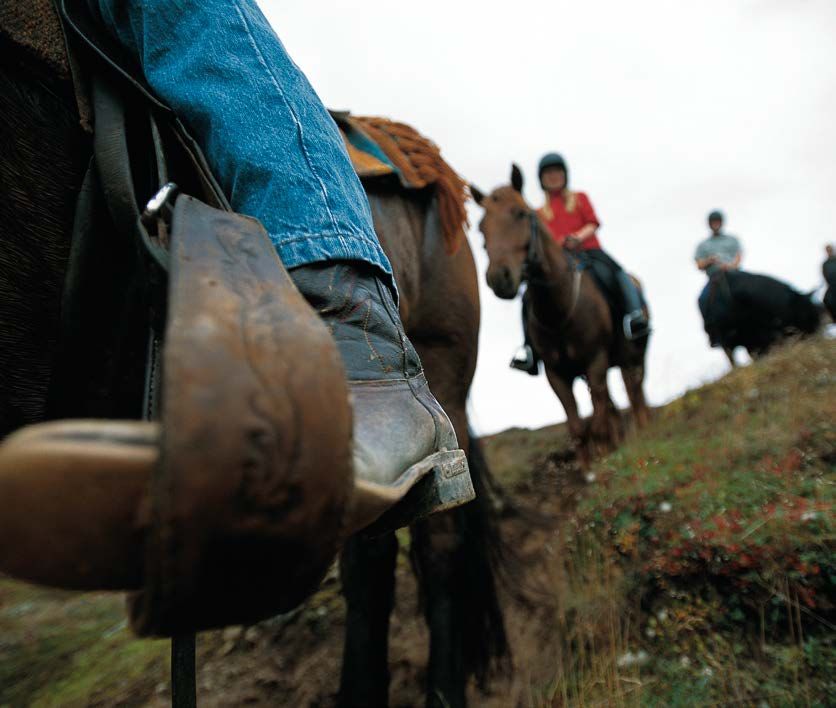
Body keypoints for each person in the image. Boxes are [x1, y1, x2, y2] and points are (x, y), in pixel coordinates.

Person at [510, 152, 649, 374]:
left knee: (616, 273)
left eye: (557, 172)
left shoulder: (579, 198)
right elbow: (543, 243)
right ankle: (528, 349)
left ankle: (635, 316)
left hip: (589, 250)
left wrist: (577, 237)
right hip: (559, 261)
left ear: (565, 174)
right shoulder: (538, 213)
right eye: (548, 173)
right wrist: (558, 246)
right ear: (542, 179)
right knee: (529, 296)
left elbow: (593, 223)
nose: (553, 176)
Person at [694, 210, 742, 345]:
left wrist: (730, 266)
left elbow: (738, 257)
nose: (715, 224)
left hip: (735, 275)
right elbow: (699, 264)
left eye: (717, 221)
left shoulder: (732, 239)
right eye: (713, 222)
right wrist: (710, 260)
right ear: (709, 224)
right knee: (702, 300)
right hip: (715, 278)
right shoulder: (703, 245)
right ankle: (713, 334)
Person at [823, 244, 836, 321]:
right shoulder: (825, 264)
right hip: (832, 286)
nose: (829, 252)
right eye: (828, 250)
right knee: (826, 299)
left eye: (830, 250)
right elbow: (825, 275)